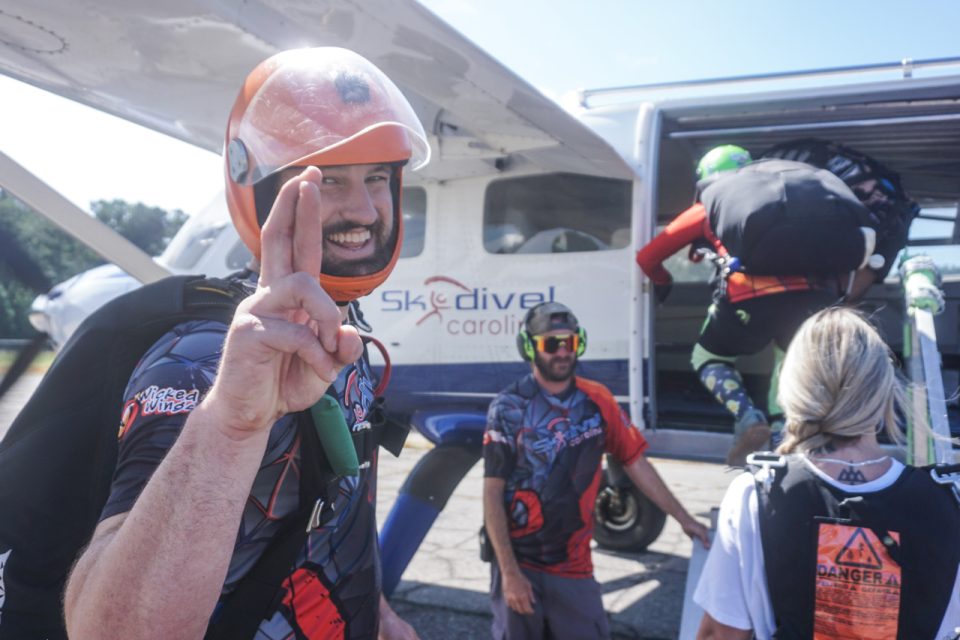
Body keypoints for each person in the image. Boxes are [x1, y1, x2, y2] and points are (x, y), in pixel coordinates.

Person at [63, 47, 430, 639]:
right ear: (259, 192)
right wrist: (231, 422)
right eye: (329, 180)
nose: (363, 208)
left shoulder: (342, 329)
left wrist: (380, 614)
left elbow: (337, 508)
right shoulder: (205, 361)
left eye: (378, 178)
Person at [693, 307, 960, 639]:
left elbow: (721, 632)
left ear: (793, 388)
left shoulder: (756, 493)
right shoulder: (949, 500)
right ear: (882, 392)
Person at [636, 145, 880, 467]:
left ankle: (746, 415)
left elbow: (648, 256)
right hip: (812, 300)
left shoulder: (714, 200)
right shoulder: (784, 196)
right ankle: (783, 434)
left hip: (747, 300)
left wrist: (663, 282)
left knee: (708, 356)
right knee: (789, 360)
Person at [482, 301, 710, 639]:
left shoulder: (598, 400)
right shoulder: (508, 407)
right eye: (551, 344)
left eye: (569, 342)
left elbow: (635, 462)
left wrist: (684, 519)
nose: (562, 352)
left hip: (573, 568)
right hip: (521, 566)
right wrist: (510, 573)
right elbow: (492, 492)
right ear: (529, 347)